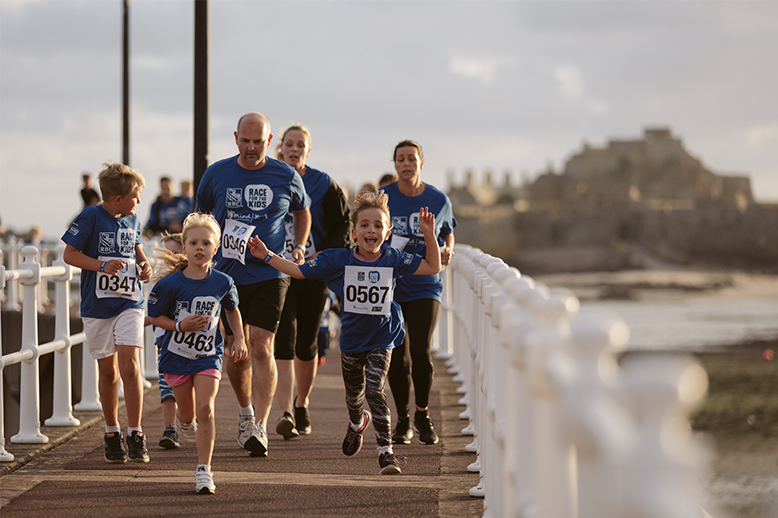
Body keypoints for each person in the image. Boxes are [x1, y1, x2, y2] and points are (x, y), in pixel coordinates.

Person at [247, 190, 441, 474]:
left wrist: (428, 234)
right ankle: (355, 423)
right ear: (354, 233)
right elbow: (299, 271)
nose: (371, 230)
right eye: (364, 225)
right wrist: (267, 256)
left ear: (387, 233)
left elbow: (433, 266)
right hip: (352, 341)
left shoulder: (393, 259)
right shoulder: (338, 260)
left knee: (375, 389)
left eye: (378, 225)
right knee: (354, 397)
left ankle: (386, 452)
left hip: (382, 337)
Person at [196, 112, 311, 457]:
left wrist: (299, 246)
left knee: (261, 345)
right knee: (237, 350)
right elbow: (199, 217)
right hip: (227, 273)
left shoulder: (286, 175)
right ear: (235, 138)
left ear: (269, 141)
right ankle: (245, 411)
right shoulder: (216, 174)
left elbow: (302, 211)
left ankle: (259, 426)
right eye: (244, 141)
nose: (250, 148)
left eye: (257, 142)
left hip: (269, 272)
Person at [147, 212, 248, 494]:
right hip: (175, 357)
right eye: (193, 243)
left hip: (208, 355)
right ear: (184, 247)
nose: (199, 248)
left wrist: (238, 338)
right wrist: (180, 325)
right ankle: (185, 423)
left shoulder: (223, 282)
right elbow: (155, 317)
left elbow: (232, 310)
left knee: (206, 407)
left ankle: (204, 470)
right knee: (189, 415)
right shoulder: (169, 285)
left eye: (206, 243)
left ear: (216, 248)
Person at [62, 161, 153, 463]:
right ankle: (112, 431)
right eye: (136, 196)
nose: (139, 201)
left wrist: (143, 263)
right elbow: (69, 254)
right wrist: (101, 265)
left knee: (130, 365)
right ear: (118, 199)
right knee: (109, 371)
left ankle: (136, 431)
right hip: (98, 304)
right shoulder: (90, 217)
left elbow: (136, 245)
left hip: (130, 301)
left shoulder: (133, 219)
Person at [272, 123, 351, 440]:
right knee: (283, 337)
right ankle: (285, 413)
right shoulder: (269, 177)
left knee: (307, 342)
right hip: (275, 270)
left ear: (308, 149)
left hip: (311, 270)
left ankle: (302, 403)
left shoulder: (322, 183)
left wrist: (327, 258)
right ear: (280, 147)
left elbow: (342, 223)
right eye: (289, 144)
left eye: (300, 145)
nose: (294, 149)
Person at [382, 139, 457, 446]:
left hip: (426, 282)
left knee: (421, 352)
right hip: (392, 285)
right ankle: (402, 420)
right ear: (395, 165)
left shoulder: (438, 199)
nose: (406, 164)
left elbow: (448, 233)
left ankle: (423, 415)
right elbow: (365, 230)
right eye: (400, 159)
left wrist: (448, 249)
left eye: (412, 158)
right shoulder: (382, 197)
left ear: (421, 163)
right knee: (397, 356)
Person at [152, 232, 184, 450]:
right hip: (165, 343)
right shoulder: (160, 283)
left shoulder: (199, 279)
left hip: (191, 344)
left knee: (190, 387)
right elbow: (155, 313)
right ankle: (170, 428)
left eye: (174, 252)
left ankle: (191, 421)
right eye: (166, 254)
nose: (169, 257)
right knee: (166, 387)